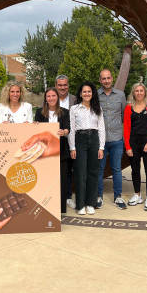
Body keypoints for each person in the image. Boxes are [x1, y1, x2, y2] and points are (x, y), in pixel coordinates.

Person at [69, 81, 105, 215]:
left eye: (89, 91)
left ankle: (90, 203)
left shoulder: (98, 109)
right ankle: (80, 205)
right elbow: (72, 129)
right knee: (80, 172)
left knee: (93, 172)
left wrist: (101, 147)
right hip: (80, 140)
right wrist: (72, 147)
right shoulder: (74, 109)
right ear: (80, 93)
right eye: (84, 91)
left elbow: (101, 129)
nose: (87, 94)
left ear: (92, 93)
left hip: (94, 140)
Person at [34, 87, 71, 213]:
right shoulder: (40, 112)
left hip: (61, 151)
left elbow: (68, 128)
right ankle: (46, 207)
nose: (51, 98)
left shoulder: (65, 112)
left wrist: (64, 132)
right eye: (48, 96)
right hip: (45, 152)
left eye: (53, 96)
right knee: (46, 179)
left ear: (57, 97)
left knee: (62, 181)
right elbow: (37, 131)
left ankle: (60, 209)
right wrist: (34, 125)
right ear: (45, 98)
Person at [124, 83, 147, 211]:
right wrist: (128, 146)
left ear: (145, 93)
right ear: (133, 93)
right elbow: (126, 128)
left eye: (141, 91)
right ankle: (137, 194)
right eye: (136, 91)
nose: (139, 93)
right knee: (135, 169)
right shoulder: (128, 108)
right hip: (133, 141)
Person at [97, 69, 127, 210]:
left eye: (109, 78)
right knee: (100, 169)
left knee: (116, 168)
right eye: (104, 78)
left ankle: (118, 196)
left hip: (116, 138)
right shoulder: (95, 95)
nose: (107, 81)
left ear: (112, 79)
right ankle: (98, 196)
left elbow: (123, 115)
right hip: (100, 140)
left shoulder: (120, 95)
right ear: (100, 80)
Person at [56, 75, 78, 211]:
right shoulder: (50, 98)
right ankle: (56, 196)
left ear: (68, 85)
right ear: (56, 85)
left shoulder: (75, 100)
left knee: (69, 171)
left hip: (71, 140)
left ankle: (68, 196)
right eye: (60, 85)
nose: (62, 87)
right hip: (55, 141)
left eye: (65, 85)